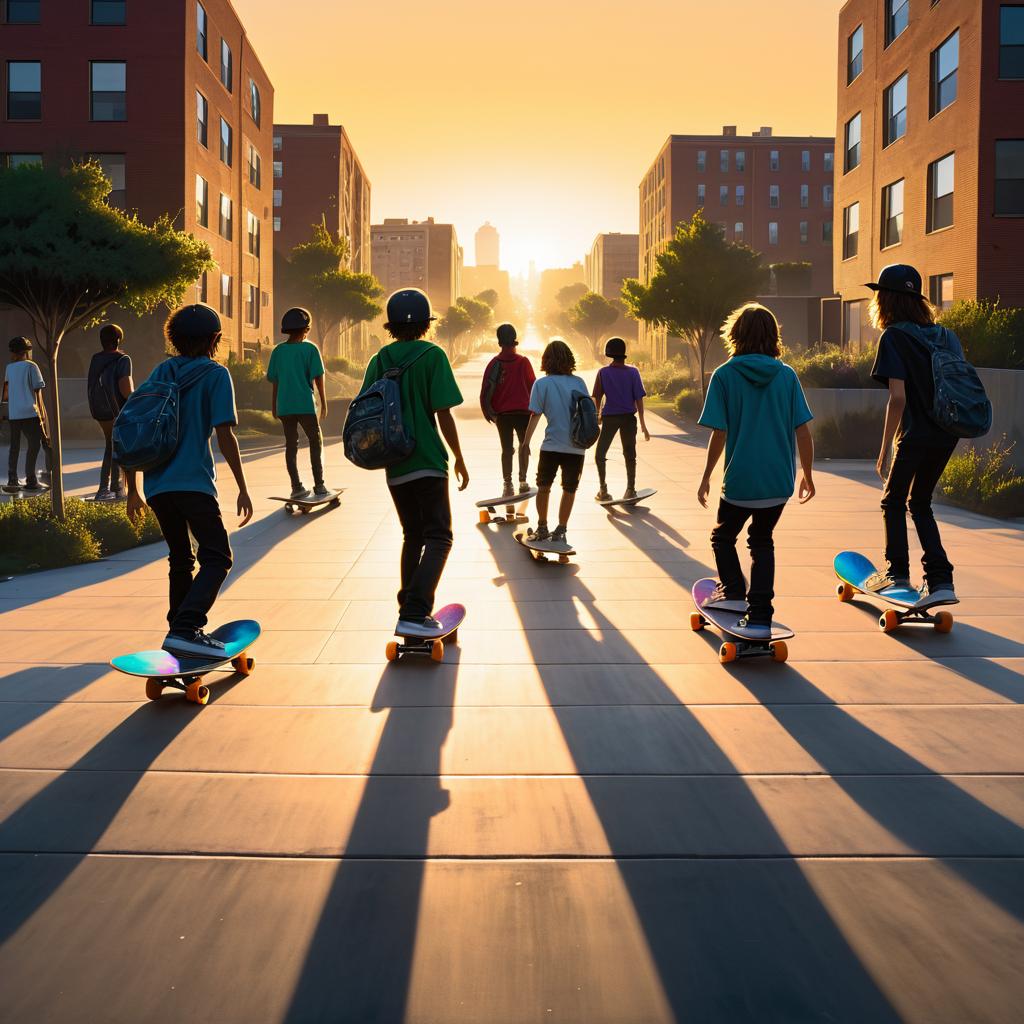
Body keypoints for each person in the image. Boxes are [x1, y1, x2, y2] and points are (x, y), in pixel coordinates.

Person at [125, 304, 253, 659]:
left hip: (157, 486)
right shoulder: (215, 374)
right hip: (193, 483)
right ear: (215, 339)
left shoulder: (161, 371)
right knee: (218, 557)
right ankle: (187, 626)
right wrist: (242, 485)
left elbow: (133, 427)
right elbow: (225, 434)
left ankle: (177, 630)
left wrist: (133, 489)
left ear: (175, 339)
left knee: (180, 559)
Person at [697, 304, 815, 639]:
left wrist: (706, 476)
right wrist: (807, 472)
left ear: (735, 335)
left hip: (740, 481)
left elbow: (718, 432)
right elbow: (803, 431)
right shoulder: (787, 375)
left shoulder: (724, 375)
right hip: (778, 481)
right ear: (773, 336)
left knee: (723, 537)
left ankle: (734, 592)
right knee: (762, 542)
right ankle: (761, 614)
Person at [361, 288, 468, 639]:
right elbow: (444, 412)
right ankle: (415, 610)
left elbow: (365, 406)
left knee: (413, 535)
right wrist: (458, 456)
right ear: (426, 323)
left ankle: (407, 606)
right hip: (428, 461)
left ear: (391, 325)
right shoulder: (433, 355)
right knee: (440, 536)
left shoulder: (380, 359)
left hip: (395, 463)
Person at [866, 263, 961, 608]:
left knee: (892, 500)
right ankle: (940, 580)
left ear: (887, 299)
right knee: (920, 502)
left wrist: (884, 450)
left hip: (916, 432)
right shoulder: (946, 335)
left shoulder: (894, 337)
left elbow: (899, 398)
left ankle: (897, 572)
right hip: (948, 431)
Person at [522, 338, 589, 548]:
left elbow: (535, 416)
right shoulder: (579, 382)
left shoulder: (542, 384)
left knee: (543, 487)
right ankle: (561, 531)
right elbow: (587, 414)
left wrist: (525, 443)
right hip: (576, 448)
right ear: (569, 358)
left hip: (551, 446)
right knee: (570, 489)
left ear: (546, 360)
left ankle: (542, 528)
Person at [266, 307, 329, 500]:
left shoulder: (278, 351)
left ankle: (296, 487)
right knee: (314, 441)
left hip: (285, 406)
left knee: (291, 445)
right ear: (306, 329)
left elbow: (275, 380)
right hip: (304, 405)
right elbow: (318, 378)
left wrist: (274, 405)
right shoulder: (310, 349)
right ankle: (319, 485)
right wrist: (324, 404)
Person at [480, 322, 536, 497]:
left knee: (506, 449)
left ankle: (507, 484)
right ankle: (523, 481)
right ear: (514, 340)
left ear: (499, 341)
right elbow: (534, 387)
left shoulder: (494, 364)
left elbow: (485, 391)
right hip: (523, 413)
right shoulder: (524, 362)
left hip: (503, 415)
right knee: (524, 445)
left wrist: (488, 413)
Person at [592, 336, 650, 502]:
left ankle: (603, 489)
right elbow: (639, 399)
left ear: (608, 353)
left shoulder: (603, 373)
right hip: (628, 419)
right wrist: (644, 425)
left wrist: (596, 419)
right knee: (630, 454)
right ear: (623, 353)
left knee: (599, 454)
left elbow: (596, 397)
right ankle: (631, 489)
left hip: (610, 418)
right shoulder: (633, 372)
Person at [87, 323, 134, 500]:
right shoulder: (123, 359)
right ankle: (105, 489)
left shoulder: (95, 358)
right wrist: (136, 400)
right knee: (115, 447)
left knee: (111, 445)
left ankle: (114, 486)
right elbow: (125, 388)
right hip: (117, 410)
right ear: (118, 340)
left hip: (99, 409)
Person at [3, 337, 48, 494]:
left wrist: (6, 410)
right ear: (27, 351)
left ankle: (12, 480)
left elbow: (6, 393)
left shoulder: (9, 368)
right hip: (30, 412)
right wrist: (42, 415)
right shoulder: (32, 366)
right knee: (34, 446)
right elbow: (38, 393)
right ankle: (31, 480)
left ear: (14, 352)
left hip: (14, 413)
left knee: (14, 447)